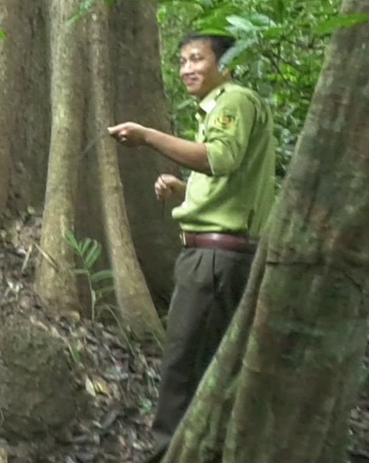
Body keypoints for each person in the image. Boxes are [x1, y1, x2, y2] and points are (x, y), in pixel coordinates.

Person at [107, 33, 276, 461]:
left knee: (184, 364)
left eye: (197, 59)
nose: (187, 69)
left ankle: (173, 454)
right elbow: (229, 178)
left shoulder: (233, 101)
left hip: (216, 261)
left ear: (225, 62)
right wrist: (186, 190)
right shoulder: (222, 107)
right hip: (216, 253)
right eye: (182, 61)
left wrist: (148, 136)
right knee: (202, 360)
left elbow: (218, 159)